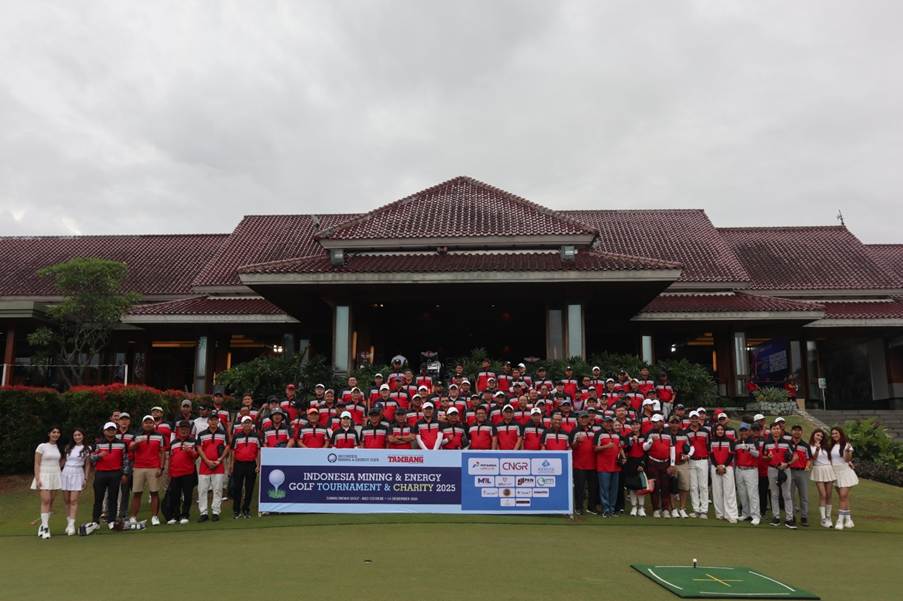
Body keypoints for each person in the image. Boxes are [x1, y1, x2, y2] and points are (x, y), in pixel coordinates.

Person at [127, 415, 167, 527]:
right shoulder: (136, 435)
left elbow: (162, 452)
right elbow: (130, 448)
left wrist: (161, 467)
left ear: (154, 424)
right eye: (146, 422)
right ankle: (133, 517)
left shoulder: (159, 436)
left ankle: (155, 516)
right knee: (137, 493)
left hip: (154, 467)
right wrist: (136, 443)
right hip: (138, 467)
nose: (148, 424)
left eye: (150, 422)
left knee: (154, 492)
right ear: (142, 424)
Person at [90, 422, 129, 529]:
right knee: (98, 498)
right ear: (104, 431)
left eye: (113, 429)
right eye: (109, 429)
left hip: (115, 473)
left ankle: (111, 520)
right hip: (101, 473)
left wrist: (125, 473)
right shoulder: (98, 443)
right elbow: (91, 458)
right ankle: (95, 521)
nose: (111, 431)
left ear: (116, 431)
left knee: (113, 498)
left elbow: (125, 459)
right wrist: (99, 455)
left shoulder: (122, 444)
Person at [32, 426, 63, 539]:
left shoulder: (59, 447)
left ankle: (42, 525)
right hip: (43, 475)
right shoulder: (42, 446)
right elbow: (37, 463)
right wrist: (38, 478)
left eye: (58, 432)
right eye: (53, 432)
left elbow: (59, 462)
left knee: (51, 502)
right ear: (49, 434)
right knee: (46, 500)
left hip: (55, 475)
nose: (56, 434)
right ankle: (45, 528)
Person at [196, 414, 229, 522]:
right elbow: (199, 448)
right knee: (202, 490)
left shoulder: (223, 434)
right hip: (204, 465)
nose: (213, 422)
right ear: (208, 421)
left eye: (215, 420)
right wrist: (207, 461)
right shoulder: (201, 434)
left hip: (218, 465)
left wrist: (220, 460)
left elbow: (227, 447)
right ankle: (203, 513)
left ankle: (216, 512)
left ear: (218, 421)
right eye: (211, 420)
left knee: (218, 489)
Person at [763, 422, 795, 528]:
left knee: (787, 494)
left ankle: (789, 519)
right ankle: (776, 517)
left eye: (777, 428)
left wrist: (787, 464)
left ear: (780, 430)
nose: (776, 430)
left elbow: (795, 456)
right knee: (774, 494)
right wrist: (768, 457)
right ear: (771, 430)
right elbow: (763, 457)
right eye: (774, 428)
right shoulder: (767, 443)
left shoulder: (787, 442)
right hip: (772, 469)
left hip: (785, 469)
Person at [642, 414, 675, 518]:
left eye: (657, 422)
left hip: (665, 463)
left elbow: (672, 449)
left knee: (666, 486)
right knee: (655, 487)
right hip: (653, 462)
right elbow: (644, 448)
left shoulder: (668, 434)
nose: (654, 424)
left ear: (662, 422)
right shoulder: (649, 433)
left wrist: (672, 464)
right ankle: (656, 509)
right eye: (653, 422)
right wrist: (650, 442)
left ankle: (665, 509)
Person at [164, 420, 197, 525]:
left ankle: (185, 515)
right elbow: (170, 459)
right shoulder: (173, 443)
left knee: (187, 496)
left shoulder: (193, 441)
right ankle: (175, 515)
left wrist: (190, 451)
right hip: (175, 473)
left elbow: (196, 456)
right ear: (178, 430)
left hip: (188, 472)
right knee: (175, 496)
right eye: (182, 428)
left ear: (189, 430)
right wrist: (169, 473)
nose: (184, 430)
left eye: (186, 429)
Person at [61, 428, 91, 536]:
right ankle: (68, 522)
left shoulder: (87, 449)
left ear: (83, 436)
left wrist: (86, 478)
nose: (77, 437)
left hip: (78, 474)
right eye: (75, 435)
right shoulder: (68, 448)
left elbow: (87, 465)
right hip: (65, 473)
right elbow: (63, 461)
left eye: (79, 435)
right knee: (67, 500)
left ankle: (71, 525)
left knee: (73, 500)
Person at [231, 416, 260, 519]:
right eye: (245, 423)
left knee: (249, 488)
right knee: (237, 488)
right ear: (242, 425)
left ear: (251, 424)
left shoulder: (256, 436)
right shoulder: (236, 436)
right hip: (239, 464)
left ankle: (246, 509)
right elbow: (233, 451)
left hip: (251, 464)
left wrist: (258, 465)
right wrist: (231, 465)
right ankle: (236, 510)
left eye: (249, 422)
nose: (247, 424)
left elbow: (258, 451)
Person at [829, 427, 858, 530]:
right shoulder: (831, 446)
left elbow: (847, 459)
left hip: (845, 472)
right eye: (832, 433)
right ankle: (849, 520)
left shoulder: (847, 445)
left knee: (843, 496)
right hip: (834, 473)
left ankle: (840, 521)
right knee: (843, 498)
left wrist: (847, 451)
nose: (834, 435)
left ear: (840, 434)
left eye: (836, 433)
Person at [709, 423, 738, 523]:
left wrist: (723, 466)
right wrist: (717, 465)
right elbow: (711, 455)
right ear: (715, 431)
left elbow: (731, 455)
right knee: (717, 491)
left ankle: (731, 515)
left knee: (729, 492)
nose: (720, 431)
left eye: (721, 429)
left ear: (724, 431)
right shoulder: (712, 441)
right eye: (718, 429)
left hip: (728, 467)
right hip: (715, 467)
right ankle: (720, 514)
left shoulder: (730, 441)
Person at [594, 417, 623, 517]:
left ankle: (612, 510)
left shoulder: (617, 434)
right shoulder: (599, 433)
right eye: (607, 422)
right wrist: (606, 446)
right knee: (604, 489)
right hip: (603, 466)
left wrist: (623, 457)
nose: (609, 424)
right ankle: (606, 510)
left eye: (610, 422)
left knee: (614, 490)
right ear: (603, 423)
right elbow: (595, 449)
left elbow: (619, 448)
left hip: (615, 465)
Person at [571, 411, 599, 515]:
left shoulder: (593, 431)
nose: (584, 420)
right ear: (578, 419)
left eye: (586, 418)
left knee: (593, 488)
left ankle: (591, 507)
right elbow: (571, 447)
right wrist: (577, 442)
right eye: (582, 418)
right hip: (579, 465)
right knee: (579, 488)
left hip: (592, 464)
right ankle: (578, 507)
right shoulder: (574, 431)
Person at [734, 424, 762, 525]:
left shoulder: (754, 441)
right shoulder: (737, 443)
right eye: (742, 431)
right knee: (742, 493)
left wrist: (749, 449)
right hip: (739, 469)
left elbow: (758, 454)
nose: (743, 432)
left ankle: (756, 516)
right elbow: (736, 457)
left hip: (751, 470)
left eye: (745, 430)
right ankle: (745, 513)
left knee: (752, 493)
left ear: (749, 431)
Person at [808, 429, 835, 528]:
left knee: (829, 495)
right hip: (818, 470)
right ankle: (823, 519)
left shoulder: (826, 447)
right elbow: (813, 459)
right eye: (817, 435)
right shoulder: (809, 446)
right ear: (813, 435)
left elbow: (830, 459)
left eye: (821, 436)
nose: (819, 437)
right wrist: (817, 449)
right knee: (823, 495)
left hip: (828, 470)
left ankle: (828, 517)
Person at [685, 410, 710, 518]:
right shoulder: (686, 432)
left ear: (698, 418)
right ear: (689, 419)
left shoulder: (705, 431)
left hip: (703, 460)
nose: (694, 420)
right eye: (692, 418)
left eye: (696, 418)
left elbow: (709, 445)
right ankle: (696, 509)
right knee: (693, 487)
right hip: (691, 461)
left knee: (703, 486)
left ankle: (704, 510)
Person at [788, 425, 811, 527]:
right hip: (790, 471)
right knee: (790, 495)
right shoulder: (787, 444)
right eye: (795, 430)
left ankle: (804, 517)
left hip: (802, 472)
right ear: (791, 432)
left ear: (801, 432)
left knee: (804, 496)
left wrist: (807, 466)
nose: (797, 432)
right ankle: (792, 516)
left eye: (799, 430)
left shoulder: (805, 445)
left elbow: (809, 459)